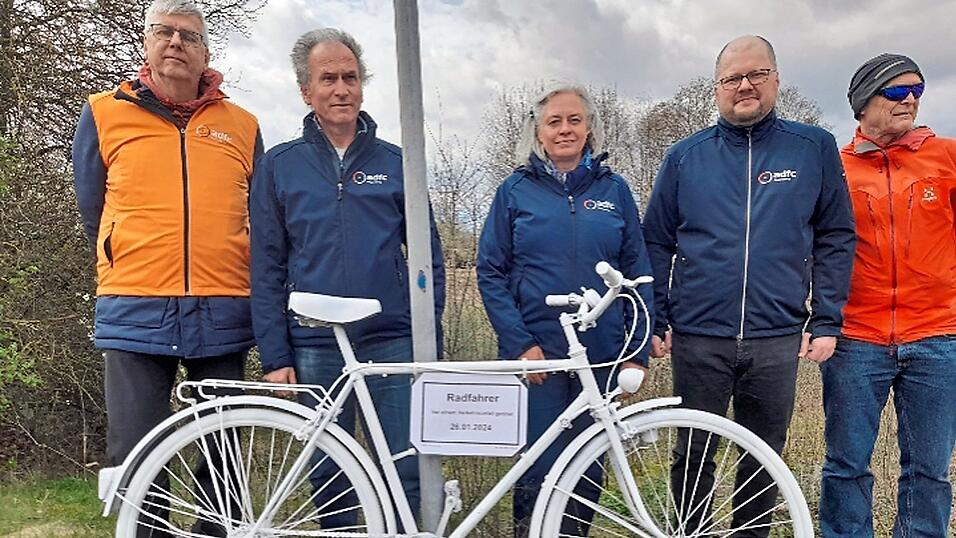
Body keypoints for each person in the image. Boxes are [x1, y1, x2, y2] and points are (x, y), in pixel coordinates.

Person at [642, 35, 856, 535]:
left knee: (763, 458)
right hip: (698, 336)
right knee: (692, 454)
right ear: (715, 87)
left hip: (776, 336)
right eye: (732, 77)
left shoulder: (813, 148)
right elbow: (654, 241)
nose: (744, 85)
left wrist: (826, 318)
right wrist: (656, 316)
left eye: (756, 74)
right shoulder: (684, 157)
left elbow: (835, 235)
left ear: (775, 79)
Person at [72, 0, 261, 535]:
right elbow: (92, 207)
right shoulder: (104, 112)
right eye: (164, 33)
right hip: (134, 305)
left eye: (189, 37)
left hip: (224, 306)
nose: (176, 43)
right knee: (137, 454)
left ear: (205, 54)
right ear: (147, 43)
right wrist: (123, 253)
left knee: (222, 459)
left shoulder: (242, 125)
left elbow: (262, 217)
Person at [250, 28, 445, 529]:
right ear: (306, 90)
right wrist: (275, 357)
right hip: (313, 345)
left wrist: (429, 337)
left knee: (407, 471)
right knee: (331, 477)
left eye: (351, 77)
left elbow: (430, 261)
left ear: (362, 85)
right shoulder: (279, 167)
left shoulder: (400, 164)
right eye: (329, 78)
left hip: (393, 342)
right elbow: (267, 266)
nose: (342, 88)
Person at [476, 82, 654, 537]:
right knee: (536, 466)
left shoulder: (614, 190)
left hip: (601, 355)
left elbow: (637, 273)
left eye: (574, 120)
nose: (565, 129)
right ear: (539, 132)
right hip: (537, 357)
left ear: (589, 128)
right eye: (554, 121)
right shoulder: (514, 191)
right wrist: (520, 344)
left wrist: (637, 351)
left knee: (588, 467)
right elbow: (491, 272)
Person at [819, 53, 956, 538]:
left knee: (929, 471)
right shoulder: (832, 169)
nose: (911, 99)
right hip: (856, 338)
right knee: (846, 465)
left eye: (916, 89)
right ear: (863, 103)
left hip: (938, 337)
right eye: (897, 91)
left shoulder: (947, 156)